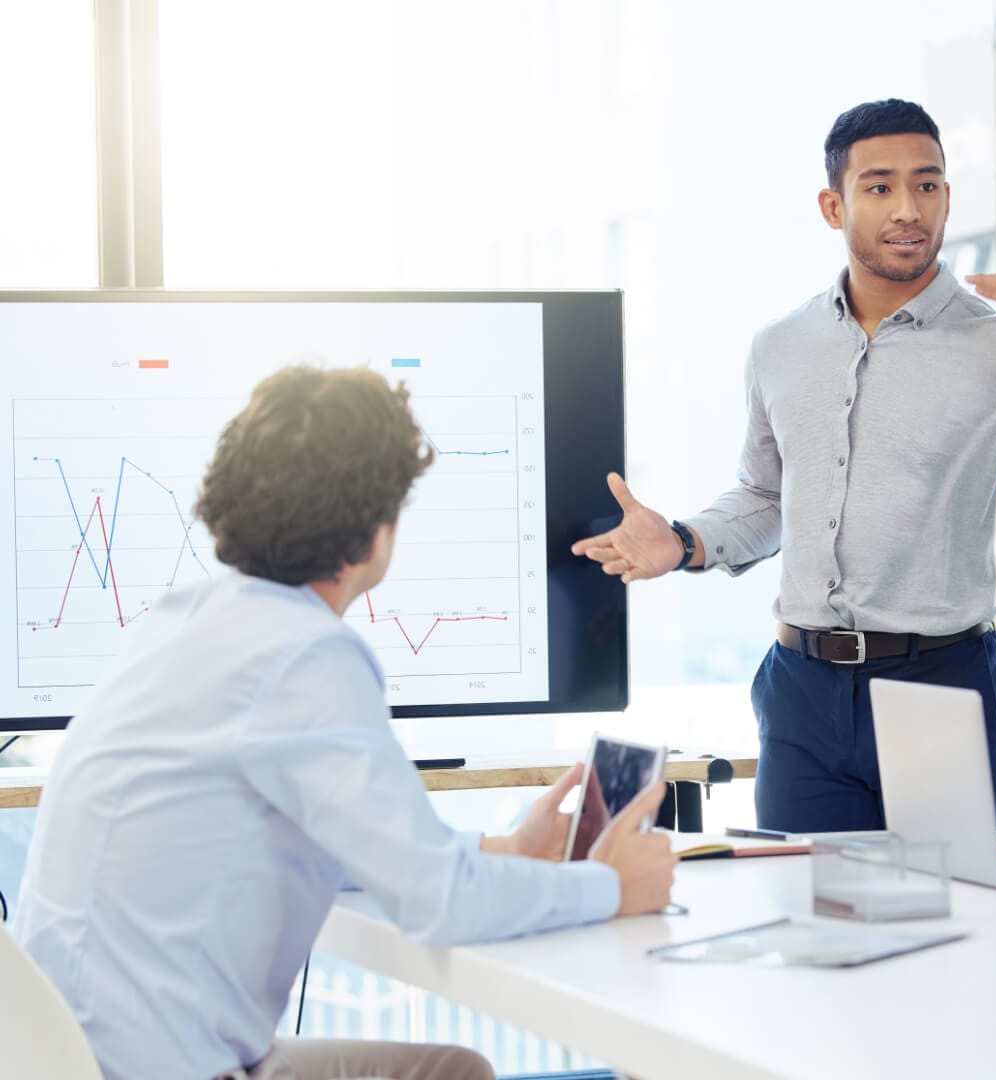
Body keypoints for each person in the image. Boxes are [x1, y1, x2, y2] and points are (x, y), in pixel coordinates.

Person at [16, 368, 678, 1080]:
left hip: (63, 1056)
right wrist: (612, 885)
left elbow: (355, 842)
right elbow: (440, 903)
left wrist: (504, 848)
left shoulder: (183, 619)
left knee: (452, 1068)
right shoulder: (303, 654)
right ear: (374, 531)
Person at [571, 99, 996, 832]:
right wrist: (685, 541)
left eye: (928, 184)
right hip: (801, 689)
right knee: (805, 921)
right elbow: (766, 497)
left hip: (939, 682)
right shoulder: (780, 346)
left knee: (944, 927)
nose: (908, 208)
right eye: (879, 187)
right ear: (832, 205)